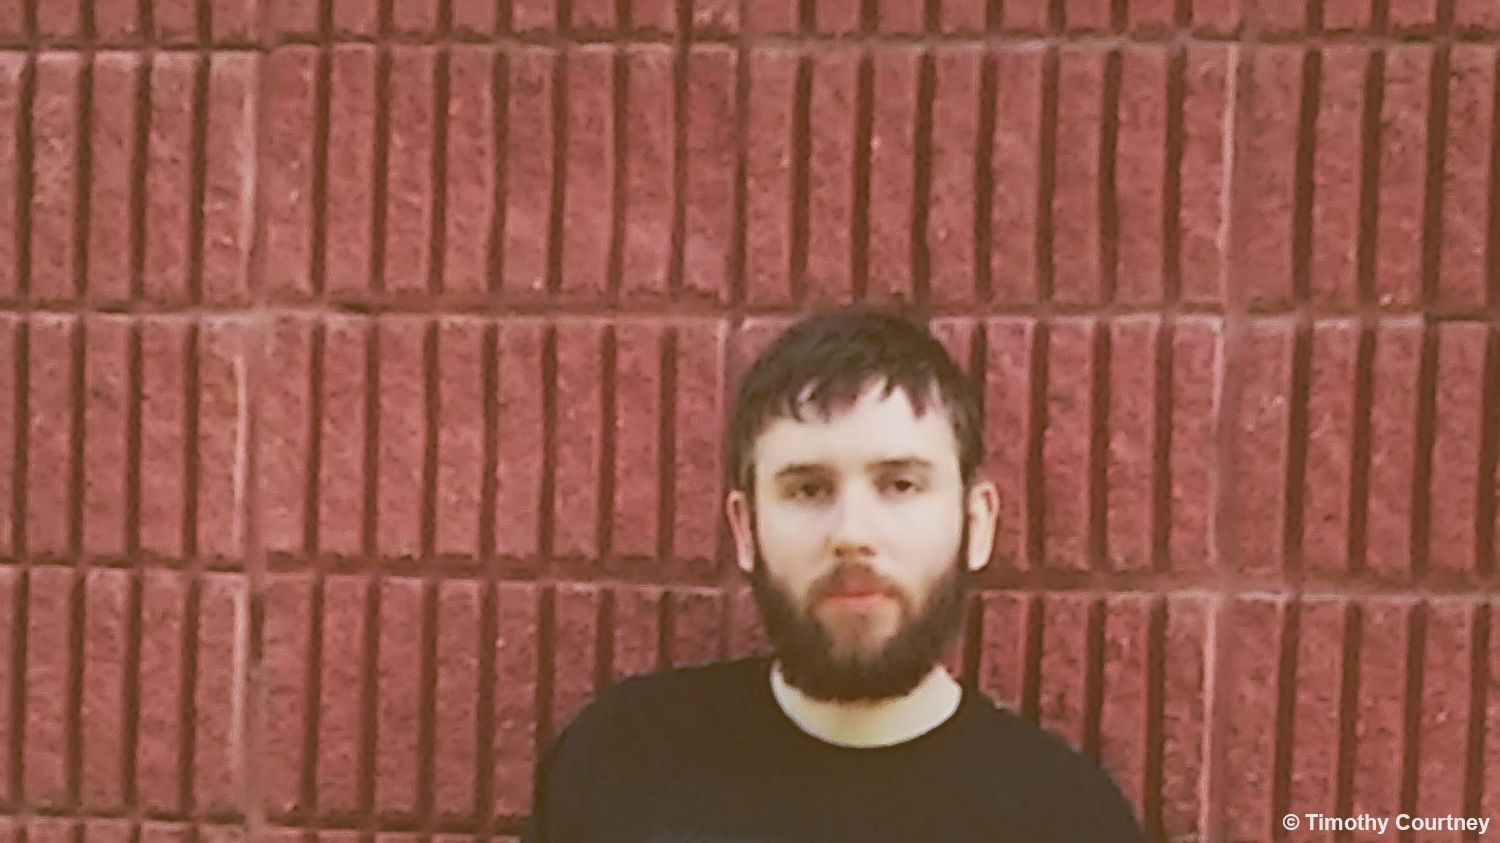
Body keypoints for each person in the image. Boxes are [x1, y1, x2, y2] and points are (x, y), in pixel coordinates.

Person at [520, 306, 1151, 842]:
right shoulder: (621, 762)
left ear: (976, 522)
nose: (852, 534)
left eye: (900, 484)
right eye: (807, 489)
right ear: (746, 530)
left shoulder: (1069, 820)